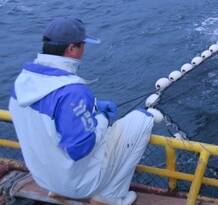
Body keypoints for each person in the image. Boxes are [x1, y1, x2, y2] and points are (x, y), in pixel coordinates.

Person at [9, 17, 154, 205]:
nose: (84, 50)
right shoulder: (72, 91)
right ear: (71, 48)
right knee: (142, 120)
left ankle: (58, 191)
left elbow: (47, 121)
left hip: (44, 179)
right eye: (82, 45)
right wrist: (100, 119)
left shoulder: (21, 83)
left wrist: (90, 108)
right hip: (78, 185)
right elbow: (81, 149)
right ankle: (111, 196)